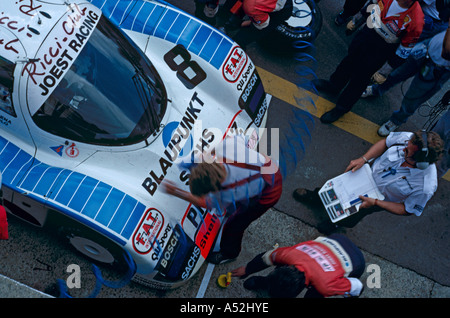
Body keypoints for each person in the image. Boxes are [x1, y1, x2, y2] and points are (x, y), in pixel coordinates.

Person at [162, 135, 282, 264]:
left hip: (269, 194)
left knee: (235, 224)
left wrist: (176, 192)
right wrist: (200, 158)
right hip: (270, 167)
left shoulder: (228, 192)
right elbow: (241, 139)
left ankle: (229, 253)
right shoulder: (225, 147)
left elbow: (207, 204)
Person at [293, 130, 444, 233]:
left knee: (353, 214)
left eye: (407, 152)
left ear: (420, 163)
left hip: (377, 198)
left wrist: (376, 203)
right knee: (334, 189)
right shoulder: (409, 139)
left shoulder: (426, 187)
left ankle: (336, 223)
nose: (404, 148)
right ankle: (315, 197)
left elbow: (407, 209)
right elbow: (386, 142)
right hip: (364, 174)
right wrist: (363, 159)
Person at [314, 0, 425, 124]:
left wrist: (385, 71)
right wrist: (356, 21)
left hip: (381, 50)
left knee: (360, 80)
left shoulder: (416, 21)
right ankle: (333, 85)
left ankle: (341, 108)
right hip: (366, 34)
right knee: (347, 63)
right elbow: (370, 6)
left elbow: (404, 50)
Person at [231, 233, 365, 298]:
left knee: (315, 295)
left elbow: (358, 286)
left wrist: (346, 292)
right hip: (337, 240)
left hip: (356, 261)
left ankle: (268, 284)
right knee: (281, 281)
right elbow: (264, 258)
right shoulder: (286, 255)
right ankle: (267, 283)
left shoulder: (325, 286)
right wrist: (247, 269)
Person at [223, 0, 293, 49]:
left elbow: (262, 25)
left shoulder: (252, 6)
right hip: (259, 5)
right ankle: (232, 22)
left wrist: (241, 24)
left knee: (255, 31)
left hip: (280, 10)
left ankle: (237, 44)